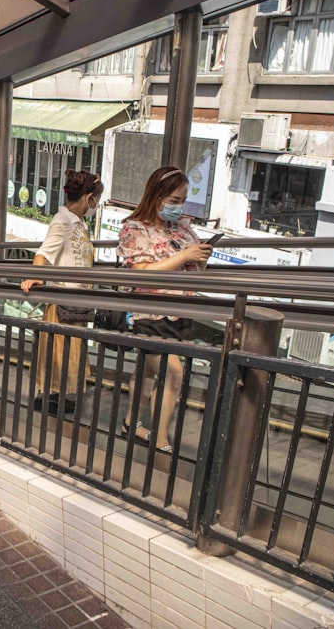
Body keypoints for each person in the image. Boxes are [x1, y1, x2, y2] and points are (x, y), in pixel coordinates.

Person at [116, 166, 212, 453]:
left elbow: (194, 268)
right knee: (173, 373)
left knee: (146, 373)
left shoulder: (183, 228)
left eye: (181, 200)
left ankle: (130, 424)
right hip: (149, 313)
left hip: (180, 311)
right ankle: (159, 440)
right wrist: (184, 255)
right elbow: (141, 272)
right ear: (156, 196)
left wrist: (199, 257)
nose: (178, 206)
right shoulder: (134, 229)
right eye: (173, 200)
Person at [21, 170, 104, 412]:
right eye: (96, 199)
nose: (96, 204)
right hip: (62, 301)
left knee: (68, 354)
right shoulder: (63, 221)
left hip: (77, 300)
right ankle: (50, 397)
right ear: (88, 197)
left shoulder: (79, 223)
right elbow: (44, 252)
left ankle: (57, 397)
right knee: (59, 354)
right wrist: (36, 276)